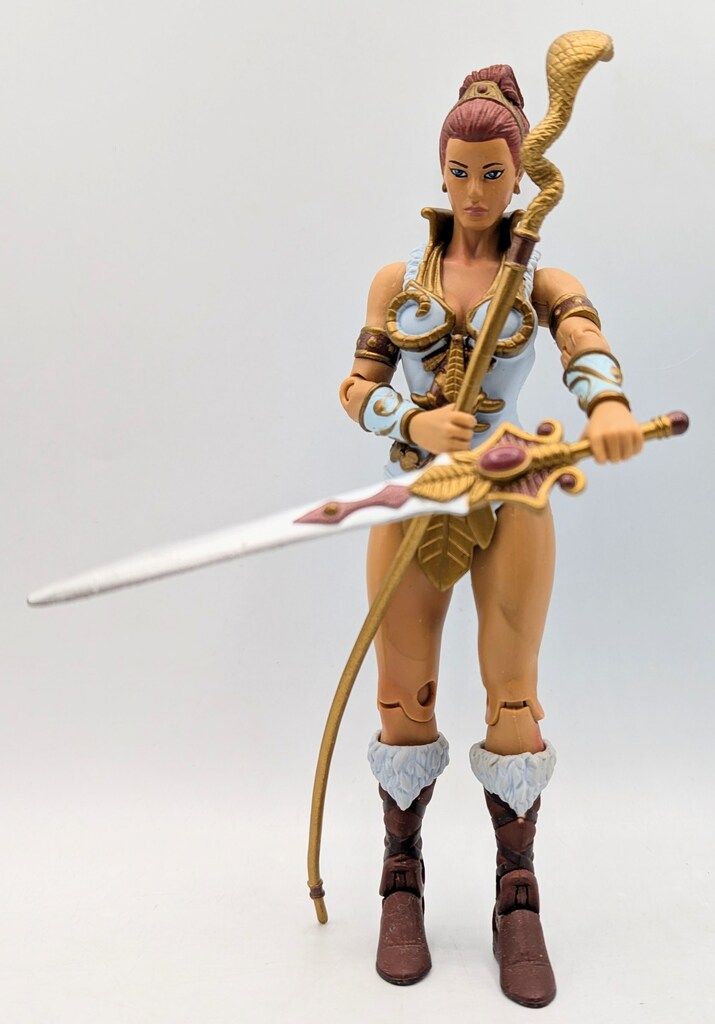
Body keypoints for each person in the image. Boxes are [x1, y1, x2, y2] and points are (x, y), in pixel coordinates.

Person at [338, 64, 643, 1007]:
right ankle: (400, 878)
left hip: (509, 488)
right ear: (441, 170)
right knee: (402, 692)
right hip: (416, 491)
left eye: (493, 174)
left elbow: (582, 339)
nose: (475, 192)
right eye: (461, 172)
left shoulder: (540, 277)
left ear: (518, 177)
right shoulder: (398, 280)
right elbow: (357, 386)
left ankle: (517, 894)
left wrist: (608, 403)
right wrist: (412, 419)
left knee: (513, 696)